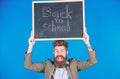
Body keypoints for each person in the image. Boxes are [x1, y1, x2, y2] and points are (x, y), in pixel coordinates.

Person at [24, 27, 97, 79]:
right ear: (53, 52)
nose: (59, 54)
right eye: (57, 51)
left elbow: (92, 62)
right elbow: (28, 65)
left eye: (62, 50)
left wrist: (87, 43)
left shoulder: (74, 64)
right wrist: (30, 45)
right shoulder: (47, 65)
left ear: (67, 52)